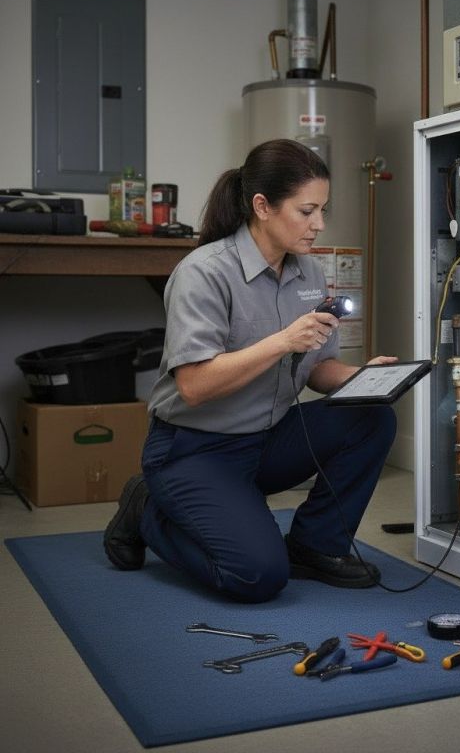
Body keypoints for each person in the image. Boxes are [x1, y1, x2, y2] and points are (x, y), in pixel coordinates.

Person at [103, 139, 397, 602]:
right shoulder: (203, 273)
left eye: (322, 210)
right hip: (193, 450)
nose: (319, 224)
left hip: (266, 439)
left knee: (372, 416)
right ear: (262, 206)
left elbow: (318, 367)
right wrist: (283, 341)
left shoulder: (309, 274)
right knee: (256, 576)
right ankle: (146, 509)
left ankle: (316, 546)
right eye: (306, 211)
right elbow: (194, 386)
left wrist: (366, 379)